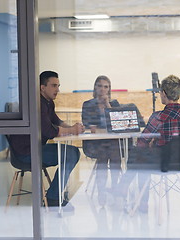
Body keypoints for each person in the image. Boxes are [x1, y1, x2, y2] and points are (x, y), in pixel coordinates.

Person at [117, 75, 180, 212]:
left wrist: (152, 143)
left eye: (160, 92)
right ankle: (134, 195)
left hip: (162, 163)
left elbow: (142, 141)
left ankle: (135, 196)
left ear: (164, 94)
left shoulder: (158, 117)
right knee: (144, 156)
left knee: (138, 154)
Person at [9, 71, 85, 210]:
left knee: (71, 153)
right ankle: (53, 198)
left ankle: (53, 195)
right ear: (42, 87)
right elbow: (49, 131)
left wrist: (73, 127)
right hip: (26, 153)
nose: (58, 90)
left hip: (34, 148)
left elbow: (56, 121)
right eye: (54, 85)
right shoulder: (37, 104)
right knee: (72, 154)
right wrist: (72, 130)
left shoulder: (48, 102)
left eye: (58, 86)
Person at [81, 75, 122, 206]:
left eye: (106, 87)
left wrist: (107, 105)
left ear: (109, 89)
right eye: (100, 86)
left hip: (112, 142)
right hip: (95, 142)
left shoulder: (114, 104)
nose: (103, 89)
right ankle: (101, 191)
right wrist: (102, 130)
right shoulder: (88, 104)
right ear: (95, 88)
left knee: (115, 153)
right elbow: (89, 126)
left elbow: (117, 124)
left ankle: (115, 188)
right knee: (104, 155)